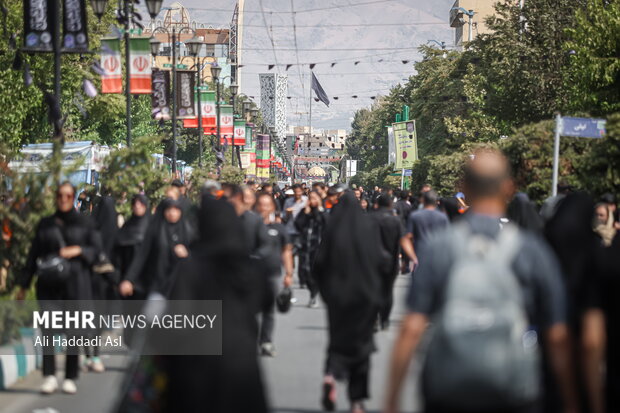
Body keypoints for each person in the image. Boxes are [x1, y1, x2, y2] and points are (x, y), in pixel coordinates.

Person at [385, 148, 577, 413]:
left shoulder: (442, 248)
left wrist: (392, 400)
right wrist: (570, 400)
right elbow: (557, 335)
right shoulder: (531, 251)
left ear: (464, 188)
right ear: (509, 188)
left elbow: (412, 327)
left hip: (448, 387)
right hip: (513, 387)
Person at [123, 195, 270, 413]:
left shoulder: (193, 268)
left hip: (197, 370)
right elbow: (265, 303)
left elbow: (178, 317)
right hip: (242, 369)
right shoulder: (253, 271)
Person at [17, 182, 99, 395]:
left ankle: (70, 376)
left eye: (68, 195)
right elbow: (33, 255)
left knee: (73, 332)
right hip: (49, 286)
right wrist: (23, 286)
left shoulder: (85, 223)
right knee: (48, 331)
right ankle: (50, 375)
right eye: (60, 195)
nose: (63, 199)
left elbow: (96, 250)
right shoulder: (46, 223)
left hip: (75, 284)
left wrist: (79, 250)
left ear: (73, 197)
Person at [313, 191, 386, 413]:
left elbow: (319, 264)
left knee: (337, 340)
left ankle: (330, 375)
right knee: (362, 347)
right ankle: (356, 402)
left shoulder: (333, 230)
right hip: (364, 298)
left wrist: (327, 293)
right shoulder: (368, 229)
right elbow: (379, 262)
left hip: (338, 298)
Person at [119, 198, 190, 299]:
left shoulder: (187, 231)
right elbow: (142, 255)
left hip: (180, 287)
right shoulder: (155, 230)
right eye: (169, 209)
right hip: (157, 286)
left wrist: (187, 255)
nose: (172, 213)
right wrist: (129, 279)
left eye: (176, 209)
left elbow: (197, 258)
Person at [254, 192, 294, 356]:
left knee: (269, 310)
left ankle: (266, 342)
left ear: (272, 207)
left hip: (272, 274)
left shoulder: (279, 228)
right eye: (261, 204)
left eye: (267, 204)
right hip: (251, 275)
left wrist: (289, 274)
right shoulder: (250, 226)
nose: (263, 207)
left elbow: (286, 251)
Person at [371, 194, 418, 330]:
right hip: (390, 261)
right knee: (387, 291)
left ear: (377, 204)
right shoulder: (395, 221)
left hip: (372, 260)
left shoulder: (369, 219)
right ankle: (384, 319)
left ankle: (373, 318)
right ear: (391, 205)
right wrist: (410, 258)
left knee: (373, 289)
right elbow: (404, 240)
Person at [295, 190, 327, 307]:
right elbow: (298, 224)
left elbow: (326, 225)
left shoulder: (322, 212)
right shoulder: (305, 212)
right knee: (305, 270)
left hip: (318, 246)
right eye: (310, 198)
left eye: (315, 198)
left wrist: (318, 210)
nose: (312, 201)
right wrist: (306, 212)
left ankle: (314, 294)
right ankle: (312, 290)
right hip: (305, 245)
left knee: (316, 271)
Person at [406, 189, 449, 264]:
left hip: (419, 255)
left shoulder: (415, 216)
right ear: (436, 201)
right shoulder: (443, 217)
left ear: (423, 200)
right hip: (437, 257)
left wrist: (411, 257)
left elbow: (407, 237)